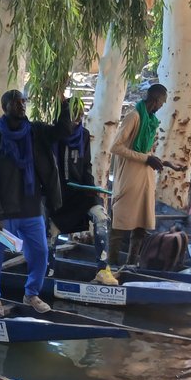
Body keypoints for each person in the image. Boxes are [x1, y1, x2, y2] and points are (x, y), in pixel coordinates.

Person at [0, 88, 68, 314]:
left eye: (23, 101)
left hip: (31, 210)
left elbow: (62, 131)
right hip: (3, 213)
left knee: (40, 254)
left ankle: (31, 294)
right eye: (16, 102)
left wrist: (64, 104)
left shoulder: (36, 133)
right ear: (5, 107)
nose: (22, 105)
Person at [108, 83, 168, 265]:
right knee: (119, 224)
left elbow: (147, 152)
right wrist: (146, 158)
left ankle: (131, 264)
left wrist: (159, 161)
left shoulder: (151, 121)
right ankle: (111, 264)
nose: (162, 106)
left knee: (141, 225)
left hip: (145, 178)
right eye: (162, 102)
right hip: (129, 178)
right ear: (155, 100)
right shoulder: (133, 117)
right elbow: (116, 147)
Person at [48, 95, 101, 236]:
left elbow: (86, 164)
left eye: (81, 112)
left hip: (77, 187)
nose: (79, 116)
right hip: (56, 188)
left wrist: (90, 186)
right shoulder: (53, 133)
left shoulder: (83, 134)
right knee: (52, 217)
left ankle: (102, 253)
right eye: (75, 112)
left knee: (97, 207)